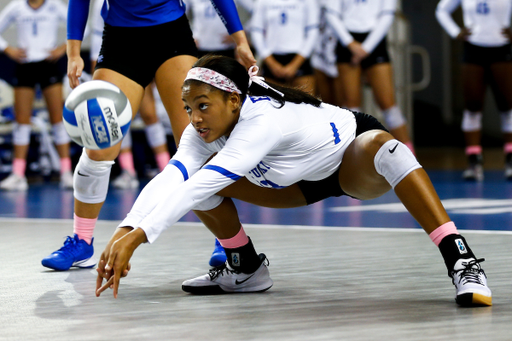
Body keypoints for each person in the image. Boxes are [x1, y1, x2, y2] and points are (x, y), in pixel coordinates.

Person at [94, 55, 491, 308]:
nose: (194, 118)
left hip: (348, 161)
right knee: (194, 178)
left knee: (388, 149)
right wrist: (126, 228)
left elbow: (197, 187)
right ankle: (245, 268)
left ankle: (461, 259)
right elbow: (175, 178)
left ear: (234, 102)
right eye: (187, 108)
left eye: (202, 106)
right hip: (293, 184)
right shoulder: (201, 132)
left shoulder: (261, 122)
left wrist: (140, 237)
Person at [40, 0, 256, 271]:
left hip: (172, 38)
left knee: (200, 145)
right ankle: (82, 242)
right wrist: (73, 52)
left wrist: (240, 40)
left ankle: (228, 241)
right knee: (98, 147)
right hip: (122, 41)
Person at [89, 0, 170, 189]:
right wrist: (96, 65)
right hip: (115, 60)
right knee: (118, 117)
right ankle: (128, 171)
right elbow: (95, 32)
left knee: (150, 114)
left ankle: (167, 170)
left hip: (143, 54)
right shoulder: (99, 4)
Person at [0, 0, 73, 191]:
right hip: (25, 65)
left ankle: (66, 172)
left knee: (57, 118)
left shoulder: (54, 5)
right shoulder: (17, 6)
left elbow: (79, 26)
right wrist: (8, 49)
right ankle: (18, 174)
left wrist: (64, 48)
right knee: (22, 120)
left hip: (48, 65)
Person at [436, 0, 512, 181]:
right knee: (472, 106)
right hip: (473, 49)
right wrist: (455, 32)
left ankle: (510, 160)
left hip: (501, 48)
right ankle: (474, 162)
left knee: (507, 105)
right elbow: (441, 10)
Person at [325, 0, 414, 152]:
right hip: (347, 41)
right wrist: (350, 44)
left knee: (388, 104)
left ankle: (409, 157)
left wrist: (366, 48)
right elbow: (332, 14)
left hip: (375, 40)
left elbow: (387, 15)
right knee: (351, 107)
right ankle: (353, 158)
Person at [250, 0, 320, 94]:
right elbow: (256, 31)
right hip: (272, 59)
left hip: (300, 59)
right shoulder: (262, 2)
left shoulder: (308, 2)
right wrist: (272, 63)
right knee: (272, 106)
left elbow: (313, 32)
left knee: (307, 106)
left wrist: (295, 65)